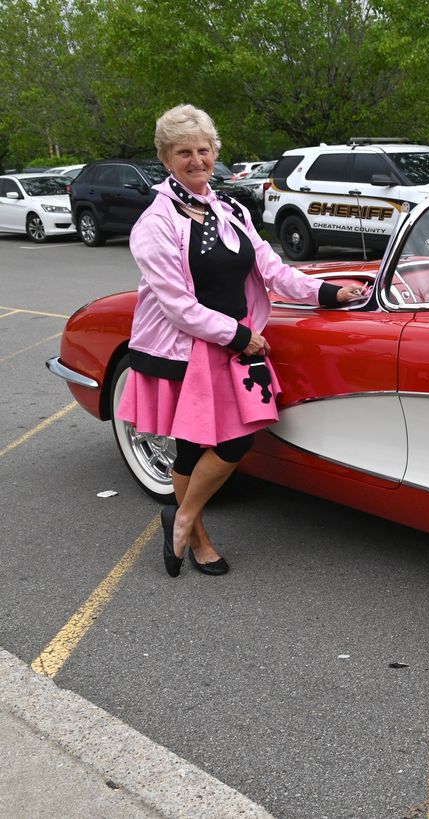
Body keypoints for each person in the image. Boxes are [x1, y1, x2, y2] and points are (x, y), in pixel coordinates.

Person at [116, 104, 365, 578]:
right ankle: (198, 534)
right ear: (166, 159)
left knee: (239, 435)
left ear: (215, 154)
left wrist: (330, 293)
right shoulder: (155, 223)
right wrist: (241, 335)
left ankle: (181, 516)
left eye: (203, 150)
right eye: (183, 152)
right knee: (195, 446)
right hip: (189, 348)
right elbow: (177, 306)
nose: (196, 160)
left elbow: (271, 269)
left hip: (233, 343)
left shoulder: (229, 209)